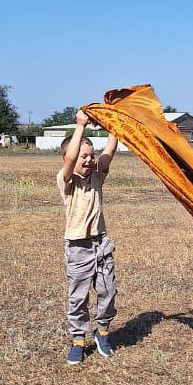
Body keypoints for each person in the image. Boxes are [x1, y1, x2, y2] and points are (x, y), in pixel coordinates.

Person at [57, 109, 119, 365]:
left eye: (91, 155)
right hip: (78, 247)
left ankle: (102, 332)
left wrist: (115, 124)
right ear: (68, 159)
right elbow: (71, 157)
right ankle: (78, 341)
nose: (89, 160)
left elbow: (110, 149)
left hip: (101, 243)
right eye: (84, 156)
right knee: (78, 297)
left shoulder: (97, 174)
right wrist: (80, 125)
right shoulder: (66, 180)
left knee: (108, 291)